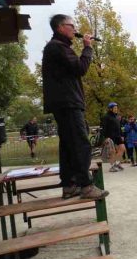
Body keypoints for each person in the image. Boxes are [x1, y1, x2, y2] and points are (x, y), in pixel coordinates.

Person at [42, 14, 108, 199]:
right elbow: (80, 68)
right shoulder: (58, 47)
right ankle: (86, 186)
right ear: (60, 27)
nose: (75, 29)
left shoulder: (56, 47)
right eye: (71, 25)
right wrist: (87, 48)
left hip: (63, 103)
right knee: (81, 143)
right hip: (68, 103)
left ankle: (69, 185)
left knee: (69, 145)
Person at [102, 103, 126, 172]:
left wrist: (121, 135)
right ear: (110, 109)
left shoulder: (116, 117)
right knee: (112, 151)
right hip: (110, 136)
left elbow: (119, 127)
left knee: (122, 148)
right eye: (115, 108)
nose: (116, 109)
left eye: (116, 108)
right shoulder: (106, 117)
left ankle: (117, 164)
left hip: (118, 136)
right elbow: (104, 128)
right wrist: (106, 137)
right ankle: (112, 166)